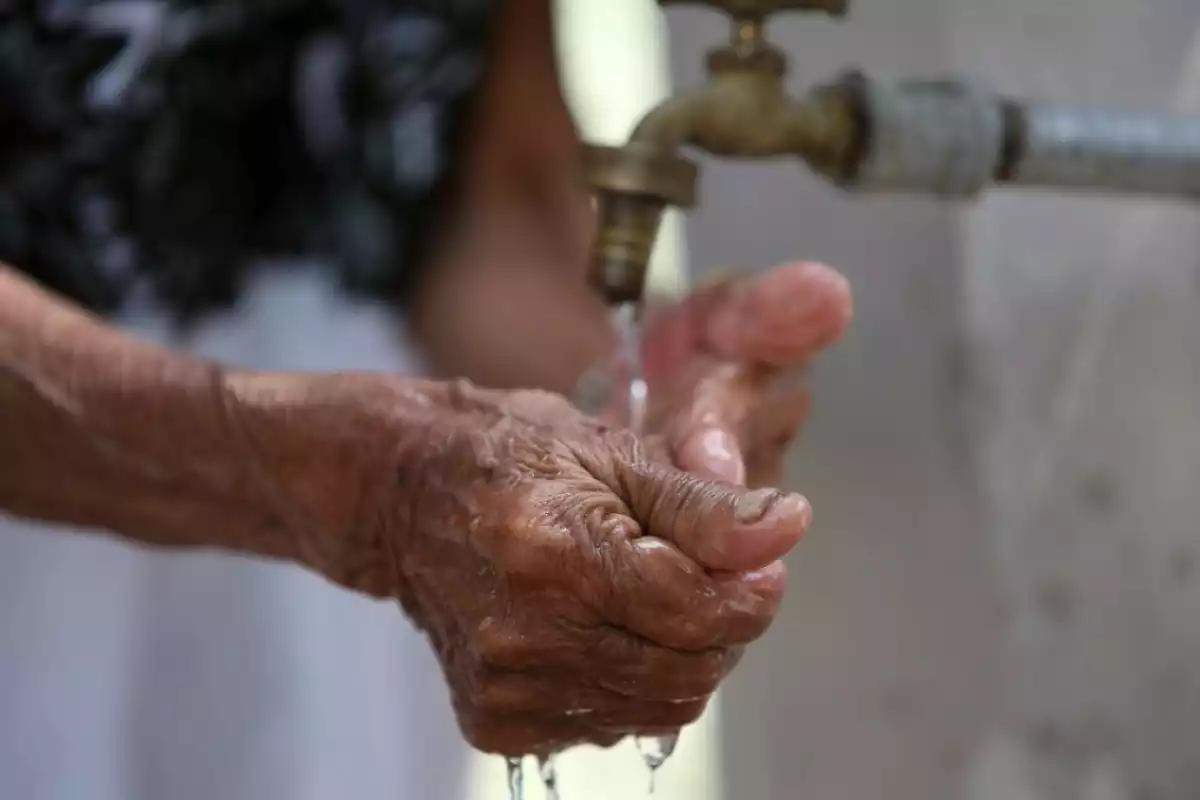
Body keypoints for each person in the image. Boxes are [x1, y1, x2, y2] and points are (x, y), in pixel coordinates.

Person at [0, 0, 851, 796]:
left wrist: (635, 400)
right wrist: (371, 487)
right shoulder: (383, 492)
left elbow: (498, 202)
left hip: (336, 607)